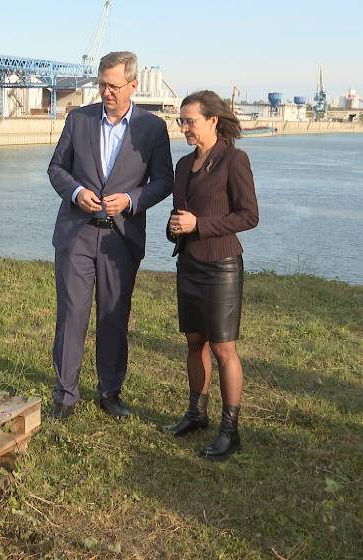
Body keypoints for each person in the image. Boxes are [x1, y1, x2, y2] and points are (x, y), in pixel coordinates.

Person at [47, 51, 174, 420]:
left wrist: (132, 200)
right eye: (102, 84)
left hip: (121, 238)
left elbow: (165, 180)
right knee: (72, 314)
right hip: (77, 234)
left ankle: (110, 392)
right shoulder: (78, 119)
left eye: (114, 86)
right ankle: (65, 395)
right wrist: (75, 192)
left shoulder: (152, 128)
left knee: (114, 316)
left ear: (133, 85)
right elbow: (56, 167)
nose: (106, 92)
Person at [164, 90, 259, 460]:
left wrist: (199, 224)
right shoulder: (182, 165)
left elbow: (249, 215)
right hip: (188, 264)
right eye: (181, 121)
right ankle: (196, 414)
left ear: (212, 121)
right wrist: (175, 227)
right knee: (193, 343)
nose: (184, 127)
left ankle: (230, 430)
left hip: (221, 266)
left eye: (190, 121)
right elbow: (180, 214)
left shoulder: (234, 160)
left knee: (223, 349)